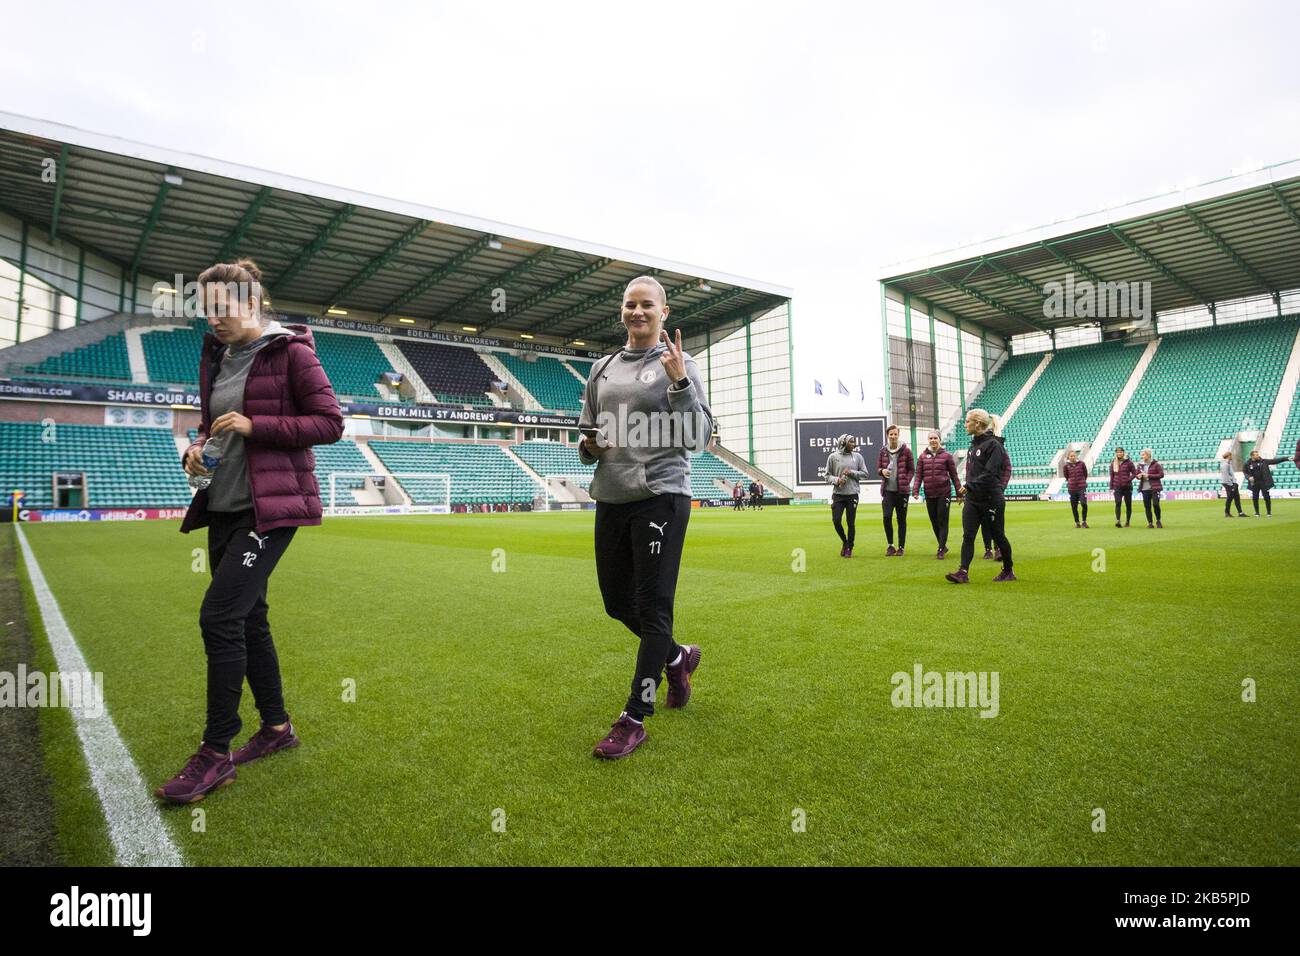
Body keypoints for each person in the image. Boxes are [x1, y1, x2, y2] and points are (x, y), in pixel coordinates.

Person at [156, 258, 343, 804]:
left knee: (219, 617)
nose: (212, 320)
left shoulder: (293, 353)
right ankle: (277, 728)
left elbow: (330, 423)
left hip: (271, 509)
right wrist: (198, 448)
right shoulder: (217, 355)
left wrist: (255, 425)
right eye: (205, 311)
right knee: (250, 618)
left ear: (254, 304)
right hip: (224, 504)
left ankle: (215, 753)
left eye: (223, 309)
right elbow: (215, 424)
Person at [578, 276, 714, 760]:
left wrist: (678, 381)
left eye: (647, 305)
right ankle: (677, 658)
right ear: (623, 311)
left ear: (664, 312)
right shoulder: (603, 367)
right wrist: (590, 445)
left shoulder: (682, 364)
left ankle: (635, 716)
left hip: (661, 497)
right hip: (611, 497)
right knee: (617, 603)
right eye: (630, 304)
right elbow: (587, 441)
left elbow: (700, 438)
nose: (638, 312)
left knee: (653, 608)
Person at [946, 408, 1014, 584]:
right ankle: (963, 572)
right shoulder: (973, 446)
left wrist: (967, 486)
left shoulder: (994, 446)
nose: (965, 424)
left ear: (977, 423)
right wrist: (966, 491)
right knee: (968, 536)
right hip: (973, 500)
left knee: (998, 536)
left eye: (967, 421)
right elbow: (972, 474)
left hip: (991, 499)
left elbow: (990, 473)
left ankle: (1008, 570)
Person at [911, 430, 960, 558]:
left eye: (935, 438)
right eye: (931, 438)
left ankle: (940, 549)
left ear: (939, 440)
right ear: (928, 440)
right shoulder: (922, 457)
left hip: (944, 493)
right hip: (929, 493)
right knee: (934, 521)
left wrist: (959, 492)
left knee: (943, 520)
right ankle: (942, 545)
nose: (933, 440)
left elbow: (954, 475)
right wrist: (915, 490)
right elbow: (918, 476)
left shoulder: (947, 456)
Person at [825, 434, 869, 557]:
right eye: (851, 442)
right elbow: (827, 476)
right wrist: (837, 480)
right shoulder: (833, 457)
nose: (853, 444)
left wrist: (852, 473)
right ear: (843, 443)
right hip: (838, 495)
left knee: (851, 523)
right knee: (836, 521)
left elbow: (865, 474)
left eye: (854, 442)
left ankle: (849, 548)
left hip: (852, 495)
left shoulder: (858, 457)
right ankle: (845, 542)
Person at [877, 425, 914, 556]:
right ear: (887, 435)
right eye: (890, 434)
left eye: (895, 434)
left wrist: (906, 480)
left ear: (898, 435)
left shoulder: (906, 451)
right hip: (887, 490)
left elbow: (911, 469)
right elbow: (878, 469)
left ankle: (901, 547)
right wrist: (882, 471)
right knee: (886, 517)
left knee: (901, 519)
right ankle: (890, 545)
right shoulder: (882, 451)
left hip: (902, 491)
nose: (893, 436)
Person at [983, 430, 1012, 560]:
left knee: (997, 521)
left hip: (995, 489)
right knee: (984, 521)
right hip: (981, 490)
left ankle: (998, 549)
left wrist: (1002, 486)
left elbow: (1007, 468)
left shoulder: (1000, 448)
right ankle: (987, 549)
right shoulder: (976, 447)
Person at [1243, 449, 1287, 517]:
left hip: (1264, 482)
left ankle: (1269, 512)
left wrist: (1286, 458)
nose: (1258, 456)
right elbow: (1245, 472)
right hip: (1254, 483)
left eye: (1258, 454)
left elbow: (1274, 461)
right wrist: (1248, 477)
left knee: (1266, 497)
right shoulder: (1247, 463)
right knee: (1255, 498)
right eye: (1256, 455)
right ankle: (1257, 513)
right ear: (1252, 456)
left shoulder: (1263, 461)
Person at [1136, 448, 1165, 528]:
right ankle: (1150, 523)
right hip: (1144, 489)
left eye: (1143, 455)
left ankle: (1158, 521)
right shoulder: (1140, 465)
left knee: (1156, 504)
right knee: (1147, 506)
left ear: (1148, 455)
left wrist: (1149, 476)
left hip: (1154, 488)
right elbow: (1137, 475)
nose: (1142, 456)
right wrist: (1138, 476)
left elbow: (1161, 475)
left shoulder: (1156, 464)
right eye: (1141, 455)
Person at [1109, 447, 1137, 527]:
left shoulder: (1128, 462)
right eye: (1117, 452)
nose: (1119, 453)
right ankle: (1118, 521)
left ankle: (1127, 521)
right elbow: (1112, 476)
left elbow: (1134, 473)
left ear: (1123, 453)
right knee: (1118, 503)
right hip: (1117, 486)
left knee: (1128, 504)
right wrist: (1111, 487)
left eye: (1121, 452)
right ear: (1116, 453)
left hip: (1127, 486)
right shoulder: (1113, 463)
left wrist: (1129, 479)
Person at [1062, 448, 1089, 528]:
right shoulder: (1066, 466)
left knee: (1084, 504)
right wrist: (1071, 481)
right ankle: (1077, 522)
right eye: (1071, 456)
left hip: (1081, 487)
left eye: (1074, 456)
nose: (1072, 457)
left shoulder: (1082, 464)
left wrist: (1082, 481)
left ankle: (1084, 521)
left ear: (1076, 456)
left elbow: (1085, 474)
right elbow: (1066, 476)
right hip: (1072, 488)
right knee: (1074, 506)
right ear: (1068, 457)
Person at [1220, 451, 1247, 517]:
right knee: (1230, 498)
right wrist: (1231, 485)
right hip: (1229, 484)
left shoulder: (1227, 464)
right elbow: (1226, 476)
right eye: (1231, 456)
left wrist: (1234, 483)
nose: (1231, 457)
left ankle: (1240, 513)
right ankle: (1227, 513)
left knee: (1236, 498)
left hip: (1232, 483)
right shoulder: (1225, 464)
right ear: (1229, 456)